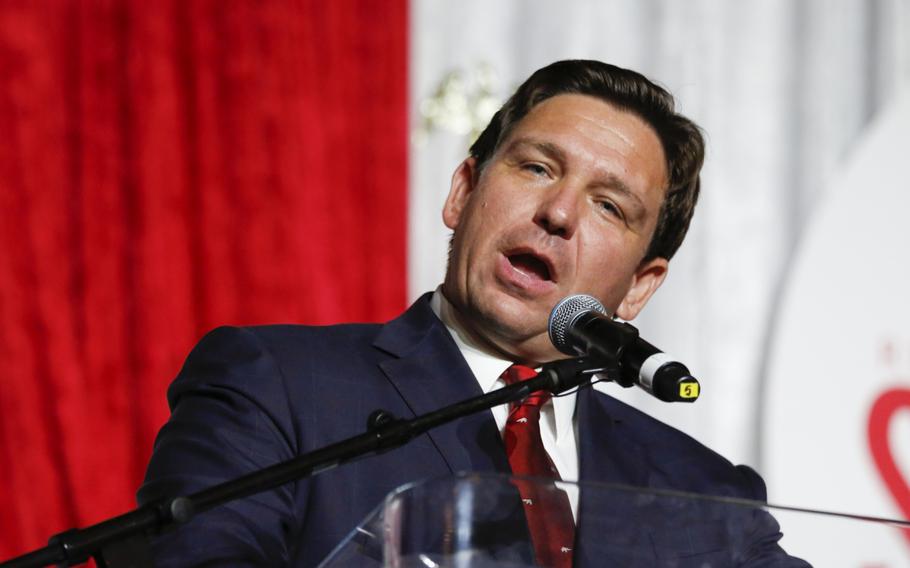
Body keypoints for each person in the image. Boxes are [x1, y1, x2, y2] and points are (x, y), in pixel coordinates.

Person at [139, 60, 806, 567]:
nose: (560, 213)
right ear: (463, 192)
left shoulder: (706, 498)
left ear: (640, 287)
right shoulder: (276, 386)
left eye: (609, 206)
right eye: (537, 166)